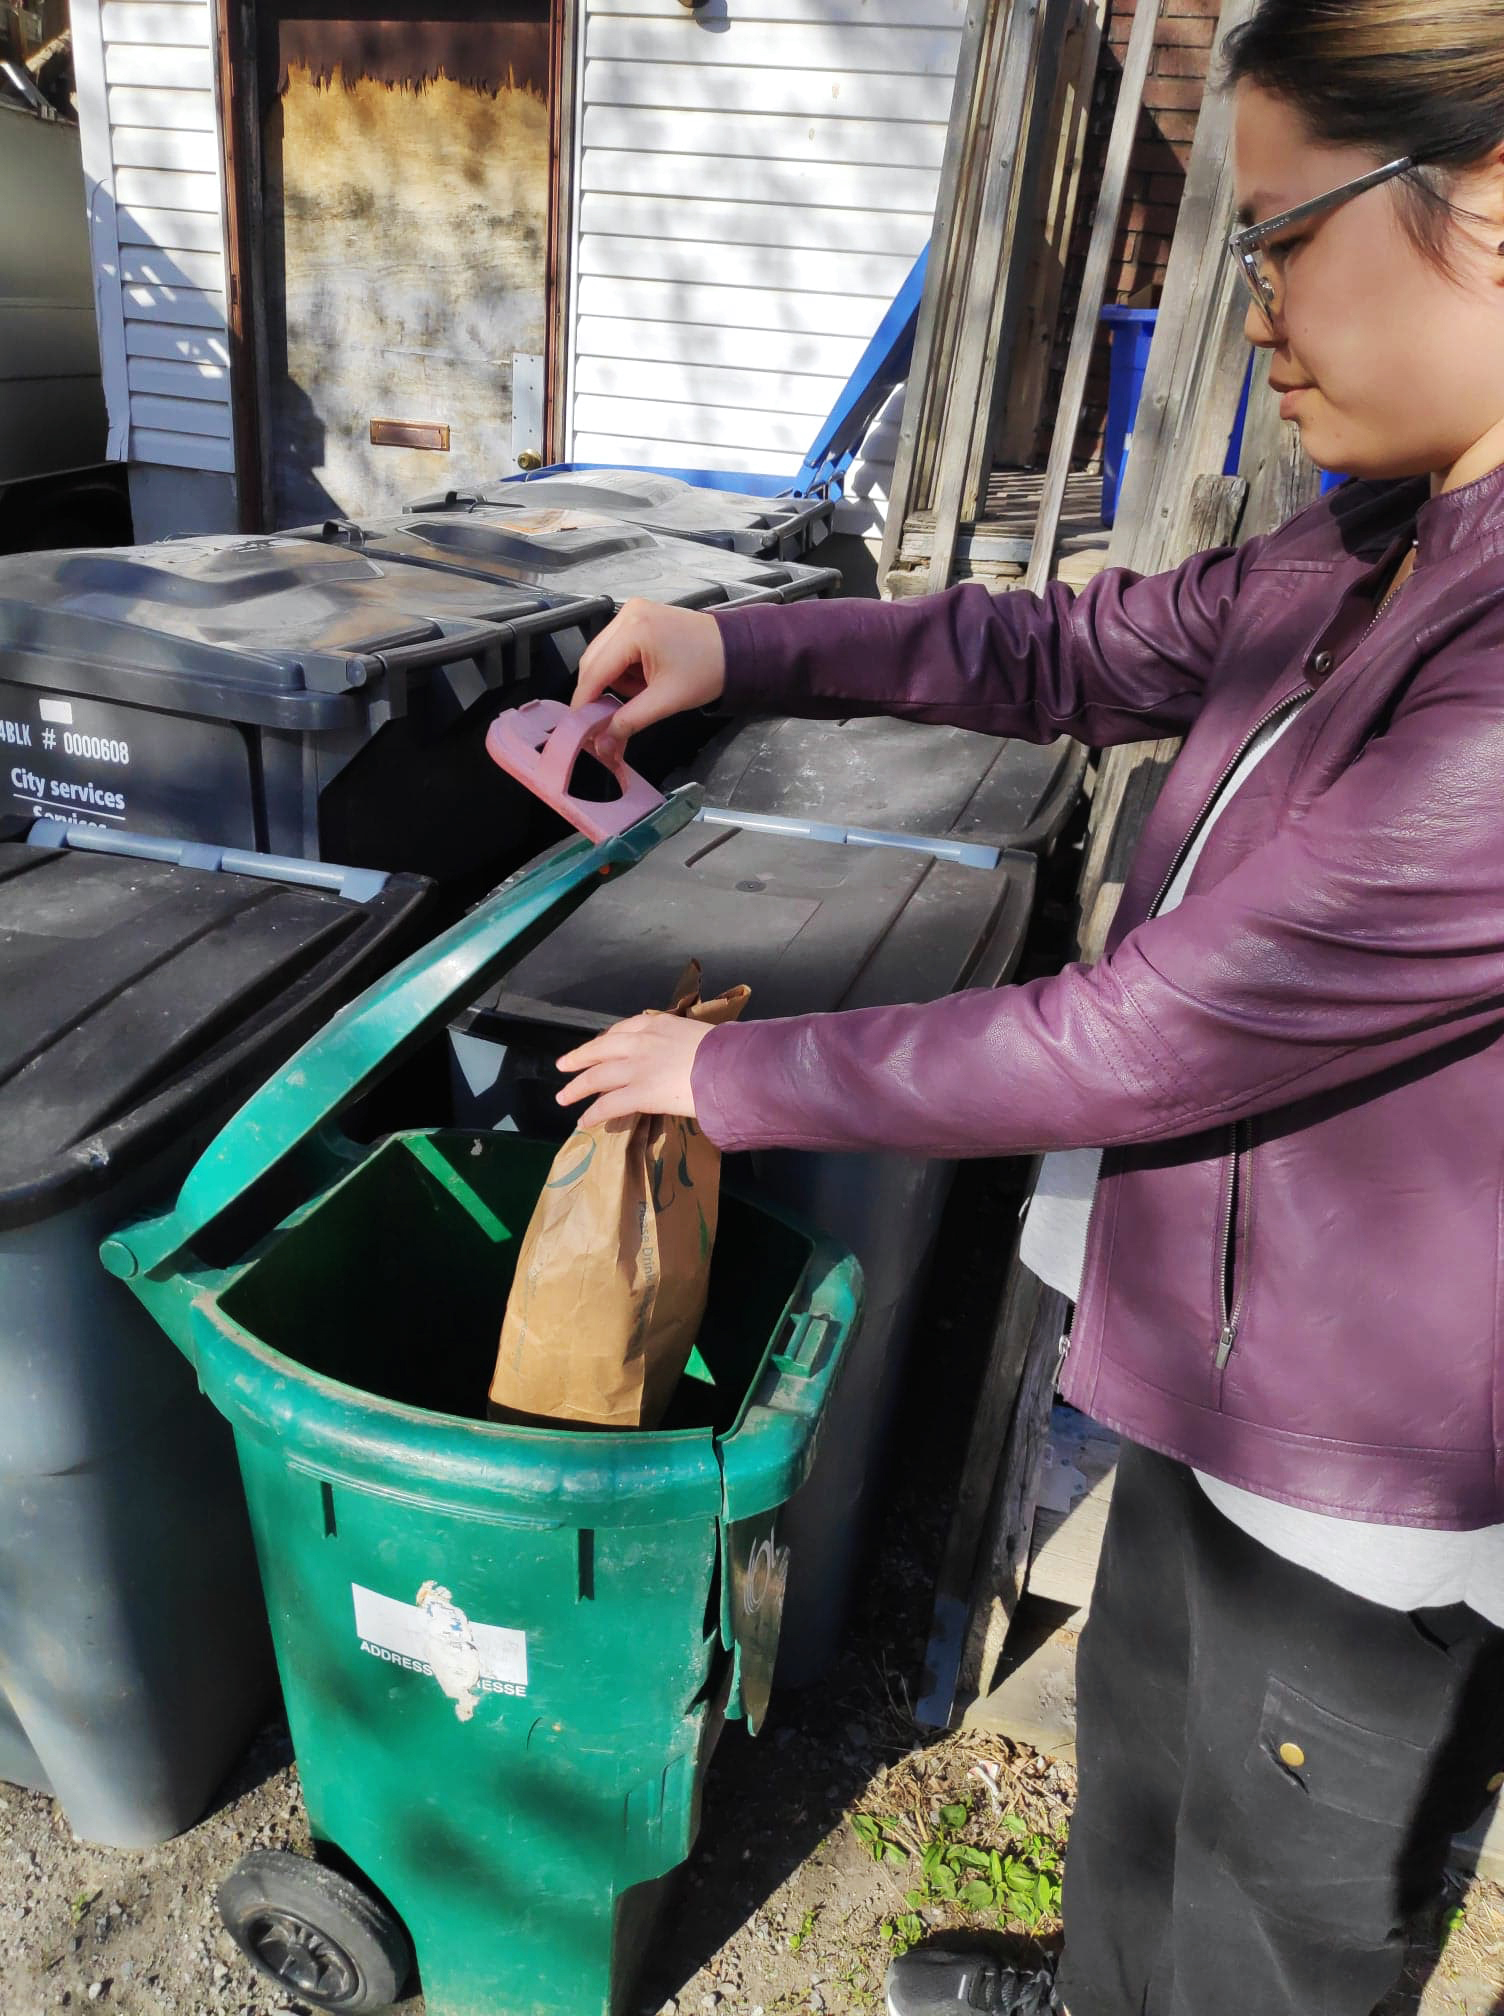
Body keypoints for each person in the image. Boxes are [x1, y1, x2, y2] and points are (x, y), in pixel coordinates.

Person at [556, 3, 1504, 2011]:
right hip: (1222, 1369)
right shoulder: (1379, 545)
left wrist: (727, 1074)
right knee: (1143, 1773)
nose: (1239, 301)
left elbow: (1152, 1028)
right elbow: (1064, 649)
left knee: (1272, 1918)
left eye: (1268, 232)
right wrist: (740, 644)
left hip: (1370, 1463)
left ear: (1487, 205)